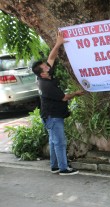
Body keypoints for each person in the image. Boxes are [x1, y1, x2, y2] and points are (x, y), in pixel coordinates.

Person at [32, 31, 85, 176]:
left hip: (50, 116)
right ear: (43, 73)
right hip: (53, 117)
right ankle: (63, 168)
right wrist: (76, 93)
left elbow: (51, 57)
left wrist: (58, 43)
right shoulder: (46, 85)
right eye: (45, 67)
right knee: (60, 142)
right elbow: (64, 97)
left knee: (54, 141)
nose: (48, 66)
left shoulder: (45, 77)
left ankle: (54, 166)